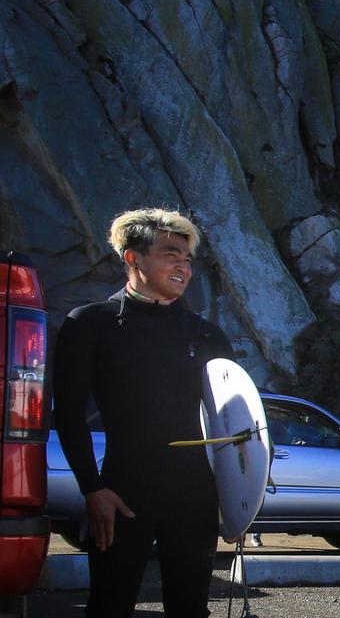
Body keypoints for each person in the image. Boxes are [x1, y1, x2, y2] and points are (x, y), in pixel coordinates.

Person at [53, 208, 234, 618]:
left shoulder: (206, 335)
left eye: (187, 259)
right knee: (109, 606)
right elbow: (67, 414)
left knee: (190, 610)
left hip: (194, 497)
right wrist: (91, 488)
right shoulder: (90, 325)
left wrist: (241, 495)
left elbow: (235, 424)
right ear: (132, 258)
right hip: (120, 494)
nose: (183, 266)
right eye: (171, 254)